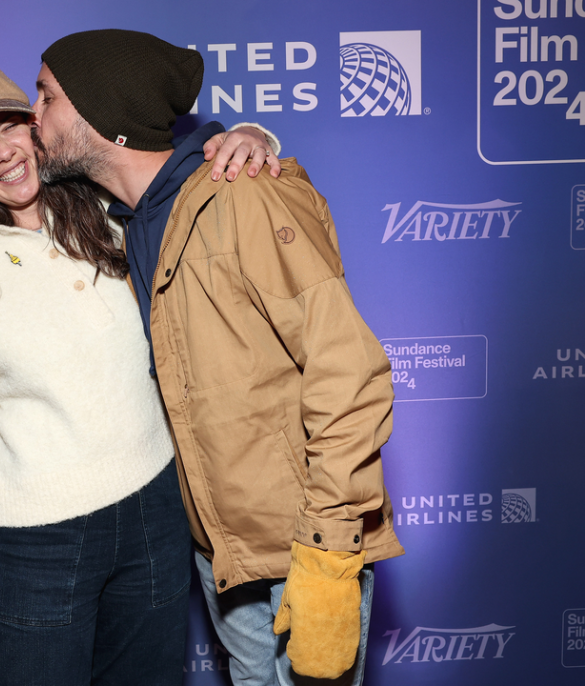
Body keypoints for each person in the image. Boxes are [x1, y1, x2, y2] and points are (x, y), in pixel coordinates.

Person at [30, 29, 405, 686]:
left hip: (302, 540)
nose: (33, 116)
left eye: (47, 96)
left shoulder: (242, 194)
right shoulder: (125, 223)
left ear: (106, 118)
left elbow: (347, 371)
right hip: (220, 547)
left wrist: (328, 544)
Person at [0, 62, 278, 686]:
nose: (3, 154)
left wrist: (250, 136)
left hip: (155, 511)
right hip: (36, 539)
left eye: (11, 128)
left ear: (39, 128)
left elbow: (186, 173)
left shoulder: (108, 211)